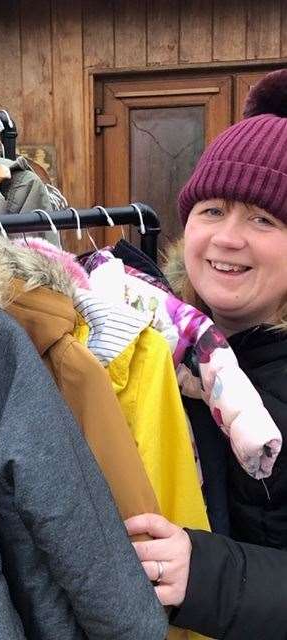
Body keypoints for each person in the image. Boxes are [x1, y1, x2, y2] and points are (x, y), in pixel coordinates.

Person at [125, 67, 287, 640]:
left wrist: (210, 575)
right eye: (211, 210)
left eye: (262, 219)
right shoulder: (159, 342)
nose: (227, 237)